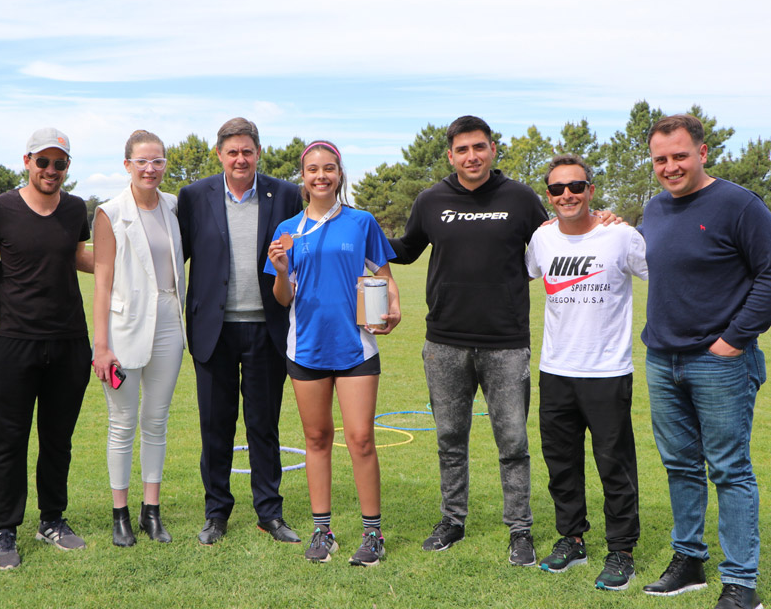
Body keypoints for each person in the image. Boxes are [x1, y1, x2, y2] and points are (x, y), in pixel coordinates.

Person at [638, 114, 771, 609]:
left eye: (680, 155)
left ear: (703, 152)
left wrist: (733, 340)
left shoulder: (739, 205)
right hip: (663, 359)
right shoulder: (654, 208)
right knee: (680, 465)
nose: (670, 167)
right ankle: (689, 562)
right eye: (661, 159)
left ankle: (741, 583)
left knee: (729, 469)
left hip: (719, 362)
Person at [388, 115, 546, 566]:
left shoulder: (520, 198)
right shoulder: (431, 200)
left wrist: (600, 222)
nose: (471, 156)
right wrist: (357, 229)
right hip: (445, 342)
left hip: (506, 343)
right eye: (462, 149)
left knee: (513, 442)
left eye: (479, 147)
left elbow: (555, 242)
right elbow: (406, 249)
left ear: (492, 149)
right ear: (450, 155)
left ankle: (520, 529)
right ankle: (452, 520)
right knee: (450, 439)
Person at [265, 140, 400, 566]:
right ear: (303, 177)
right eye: (313, 169)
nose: (321, 175)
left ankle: (373, 534)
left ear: (340, 174)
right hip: (306, 347)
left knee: (360, 439)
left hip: (355, 347)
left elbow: (383, 275)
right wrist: (282, 271)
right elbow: (283, 297)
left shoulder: (361, 222)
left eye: (329, 168)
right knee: (317, 439)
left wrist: (394, 306)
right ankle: (322, 532)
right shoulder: (288, 230)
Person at [177, 117, 304, 545]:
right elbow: (177, 258)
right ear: (219, 155)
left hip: (267, 328)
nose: (240, 159)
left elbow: (302, 255)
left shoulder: (285, 194)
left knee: (263, 425)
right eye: (232, 152)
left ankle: (270, 512)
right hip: (213, 331)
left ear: (258, 153)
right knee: (216, 426)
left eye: (247, 151)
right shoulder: (194, 197)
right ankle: (216, 513)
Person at [525, 154, 647, 590]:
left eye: (576, 186)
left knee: (614, 465)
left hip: (607, 370)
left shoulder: (621, 236)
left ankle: (621, 551)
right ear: (549, 195)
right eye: (557, 189)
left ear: (591, 190)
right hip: (556, 369)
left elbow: (662, 276)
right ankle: (572, 538)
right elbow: (526, 274)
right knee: (561, 463)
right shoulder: (542, 239)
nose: (567, 195)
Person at [0, 128, 95, 569]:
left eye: (59, 163)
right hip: (15, 343)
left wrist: (132, 259)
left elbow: (76, 255)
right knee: (9, 441)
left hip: (69, 341)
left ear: (67, 167)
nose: (51, 170)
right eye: (43, 161)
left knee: (57, 440)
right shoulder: (0, 208)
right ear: (27, 161)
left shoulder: (75, 209)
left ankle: (52, 520)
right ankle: (5, 529)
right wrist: (4, 320)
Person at [92, 131, 186, 547]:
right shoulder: (110, 212)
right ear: (127, 164)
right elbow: (102, 281)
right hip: (124, 326)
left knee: (156, 421)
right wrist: (101, 346)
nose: (151, 169)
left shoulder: (174, 206)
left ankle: (152, 511)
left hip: (169, 321)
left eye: (158, 161)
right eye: (142, 161)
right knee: (122, 423)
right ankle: (120, 515)